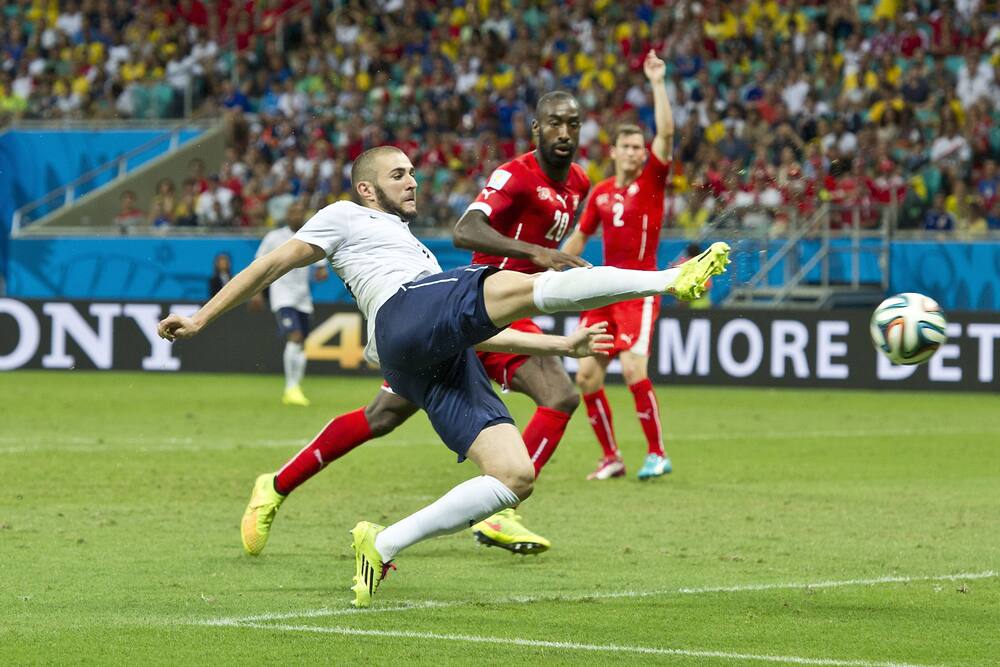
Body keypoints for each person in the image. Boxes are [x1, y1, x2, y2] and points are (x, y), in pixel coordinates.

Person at [157, 144, 730, 607]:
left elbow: (478, 330)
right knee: (508, 284)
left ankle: (380, 546)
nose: (412, 182)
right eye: (398, 174)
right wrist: (202, 317)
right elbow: (269, 263)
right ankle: (668, 280)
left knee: (514, 474)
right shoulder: (343, 216)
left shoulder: (419, 252)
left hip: (425, 350)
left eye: (413, 173)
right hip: (402, 312)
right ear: (366, 188)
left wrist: (563, 342)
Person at [239, 91, 593, 560]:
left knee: (381, 417)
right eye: (554, 123)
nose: (564, 133)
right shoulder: (514, 174)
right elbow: (465, 230)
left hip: (472, 318)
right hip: (474, 306)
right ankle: (499, 511)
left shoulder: (579, 183)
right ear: (536, 129)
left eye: (572, 123)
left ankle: (276, 484)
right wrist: (535, 257)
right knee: (561, 395)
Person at [561, 50, 676, 481]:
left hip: (640, 288)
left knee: (632, 368)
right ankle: (611, 456)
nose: (634, 152)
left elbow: (666, 132)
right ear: (613, 151)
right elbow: (579, 237)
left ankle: (657, 452)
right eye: (626, 147)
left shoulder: (651, 182)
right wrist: (551, 263)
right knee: (587, 378)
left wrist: (657, 82)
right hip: (604, 288)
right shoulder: (603, 192)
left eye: (638, 147)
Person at [249, 198, 329, 406]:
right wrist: (257, 293)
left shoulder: (311, 237)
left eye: (300, 211)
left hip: (303, 297)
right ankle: (290, 387)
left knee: (301, 343)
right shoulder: (275, 237)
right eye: (293, 211)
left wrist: (321, 271)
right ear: (287, 215)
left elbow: (321, 268)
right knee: (295, 336)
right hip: (282, 296)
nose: (297, 214)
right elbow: (258, 265)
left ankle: (296, 387)